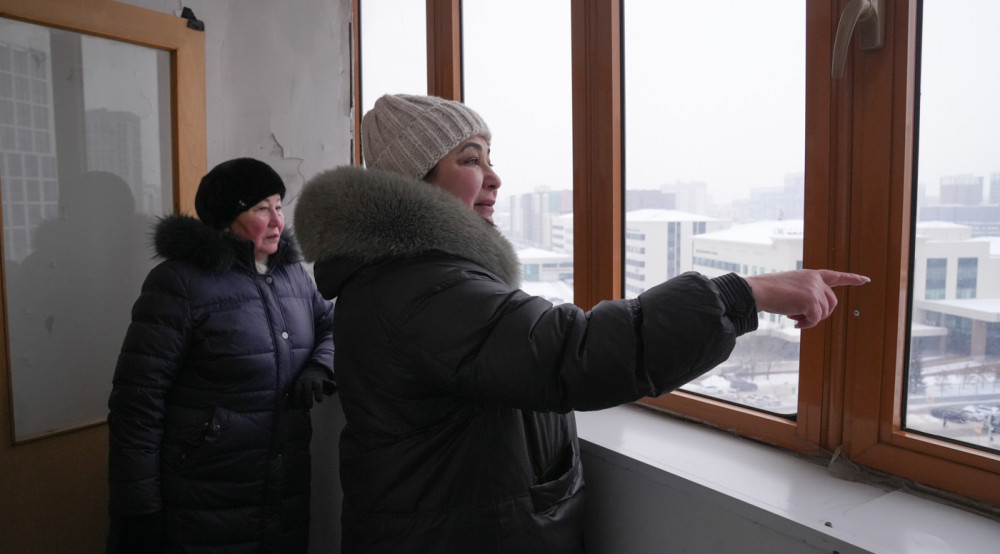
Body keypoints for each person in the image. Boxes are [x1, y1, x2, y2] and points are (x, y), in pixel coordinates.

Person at [292, 94, 870, 553]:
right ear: (414, 182)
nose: (494, 177)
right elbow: (571, 354)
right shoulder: (423, 286)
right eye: (470, 159)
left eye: (491, 158)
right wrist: (744, 294)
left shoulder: (408, 274)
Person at [106, 158, 336, 553]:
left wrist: (320, 364)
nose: (277, 221)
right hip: (204, 491)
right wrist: (137, 507)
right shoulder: (179, 283)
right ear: (226, 220)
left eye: (278, 206)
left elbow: (332, 326)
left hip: (283, 484)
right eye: (261, 209)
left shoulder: (293, 276)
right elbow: (138, 401)